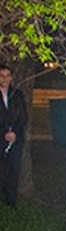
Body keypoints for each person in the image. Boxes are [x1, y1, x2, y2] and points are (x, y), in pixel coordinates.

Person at [0, 63, 28, 208]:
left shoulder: (17, 95)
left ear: (11, 78)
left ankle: (11, 201)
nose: (4, 79)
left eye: (7, 76)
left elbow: (23, 117)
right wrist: (4, 133)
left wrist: (14, 133)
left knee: (14, 169)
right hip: (1, 138)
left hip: (15, 139)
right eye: (1, 76)